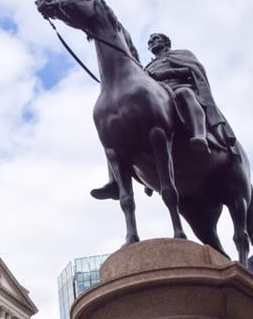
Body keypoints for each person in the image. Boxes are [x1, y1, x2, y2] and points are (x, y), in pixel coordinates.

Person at [90, 32, 238, 200]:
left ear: (166, 42)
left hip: (177, 88)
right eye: (150, 41)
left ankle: (199, 135)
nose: (152, 42)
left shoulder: (181, 55)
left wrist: (167, 74)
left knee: (186, 94)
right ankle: (116, 181)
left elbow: (193, 70)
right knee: (117, 130)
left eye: (156, 39)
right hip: (158, 99)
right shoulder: (146, 67)